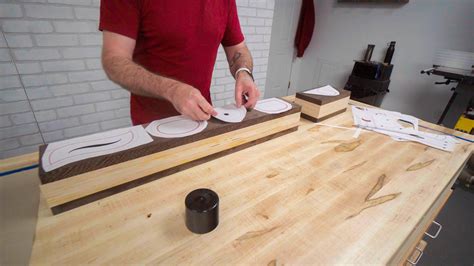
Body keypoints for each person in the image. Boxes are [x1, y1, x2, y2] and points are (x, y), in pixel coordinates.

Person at [99, 0, 260, 125]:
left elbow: (238, 48)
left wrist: (244, 73)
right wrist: (172, 90)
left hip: (202, 118)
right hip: (153, 125)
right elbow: (114, 60)